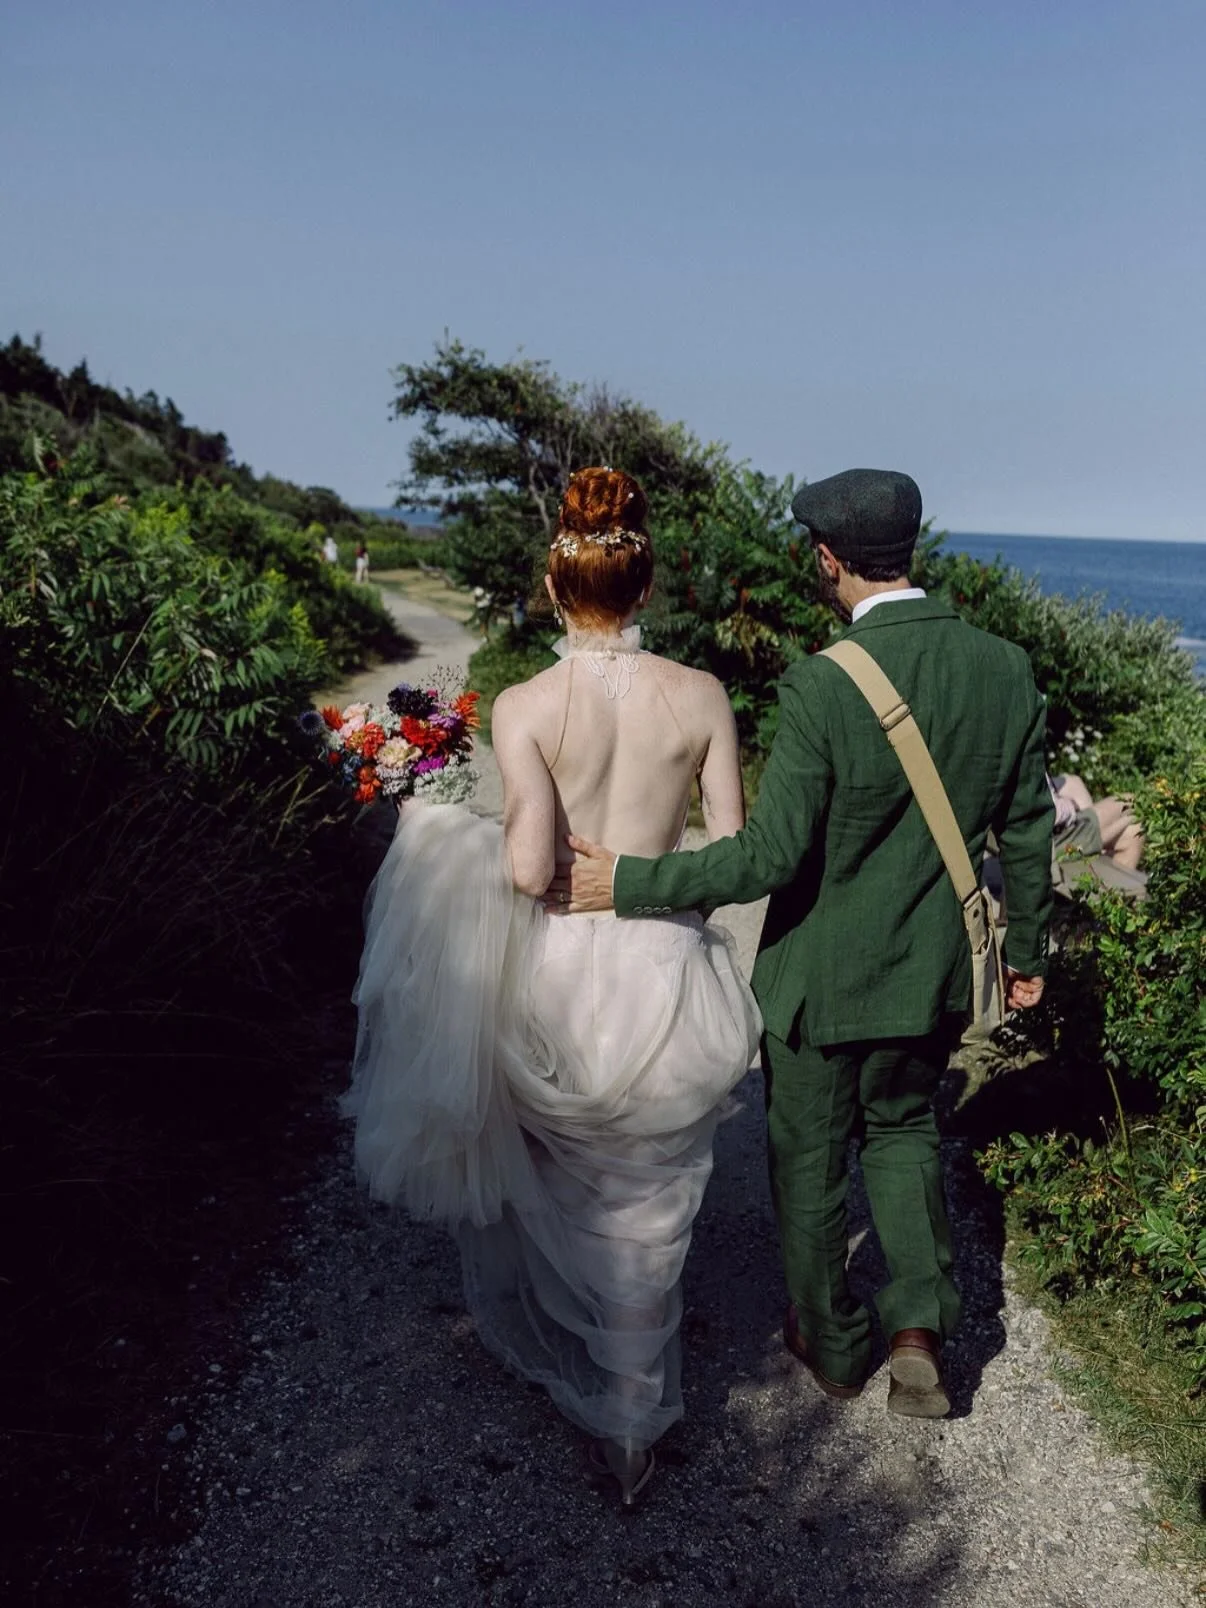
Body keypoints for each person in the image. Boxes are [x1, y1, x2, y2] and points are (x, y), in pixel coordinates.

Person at [553, 468, 1055, 1418]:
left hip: (820, 983)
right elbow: (1027, 831)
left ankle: (832, 1340)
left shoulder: (826, 684)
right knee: (904, 1131)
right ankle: (919, 1327)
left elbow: (767, 857)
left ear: (829, 560)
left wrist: (627, 881)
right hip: (932, 974)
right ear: (911, 547)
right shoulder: (1004, 667)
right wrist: (1024, 949)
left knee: (810, 1159)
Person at [343, 468, 759, 1507]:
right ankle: (634, 1403)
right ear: (646, 586)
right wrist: (655, 879)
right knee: (650, 1193)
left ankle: (609, 1380)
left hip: (565, 969)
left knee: (574, 1181)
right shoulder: (703, 695)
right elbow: (732, 853)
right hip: (667, 967)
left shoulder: (526, 705)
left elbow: (530, 872)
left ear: (552, 585)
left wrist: (443, 833)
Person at [1049, 772, 1143, 870]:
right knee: (1134, 806)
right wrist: (1068, 806)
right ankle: (1090, 852)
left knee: (1074, 783)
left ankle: (1091, 849)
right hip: (1048, 841)